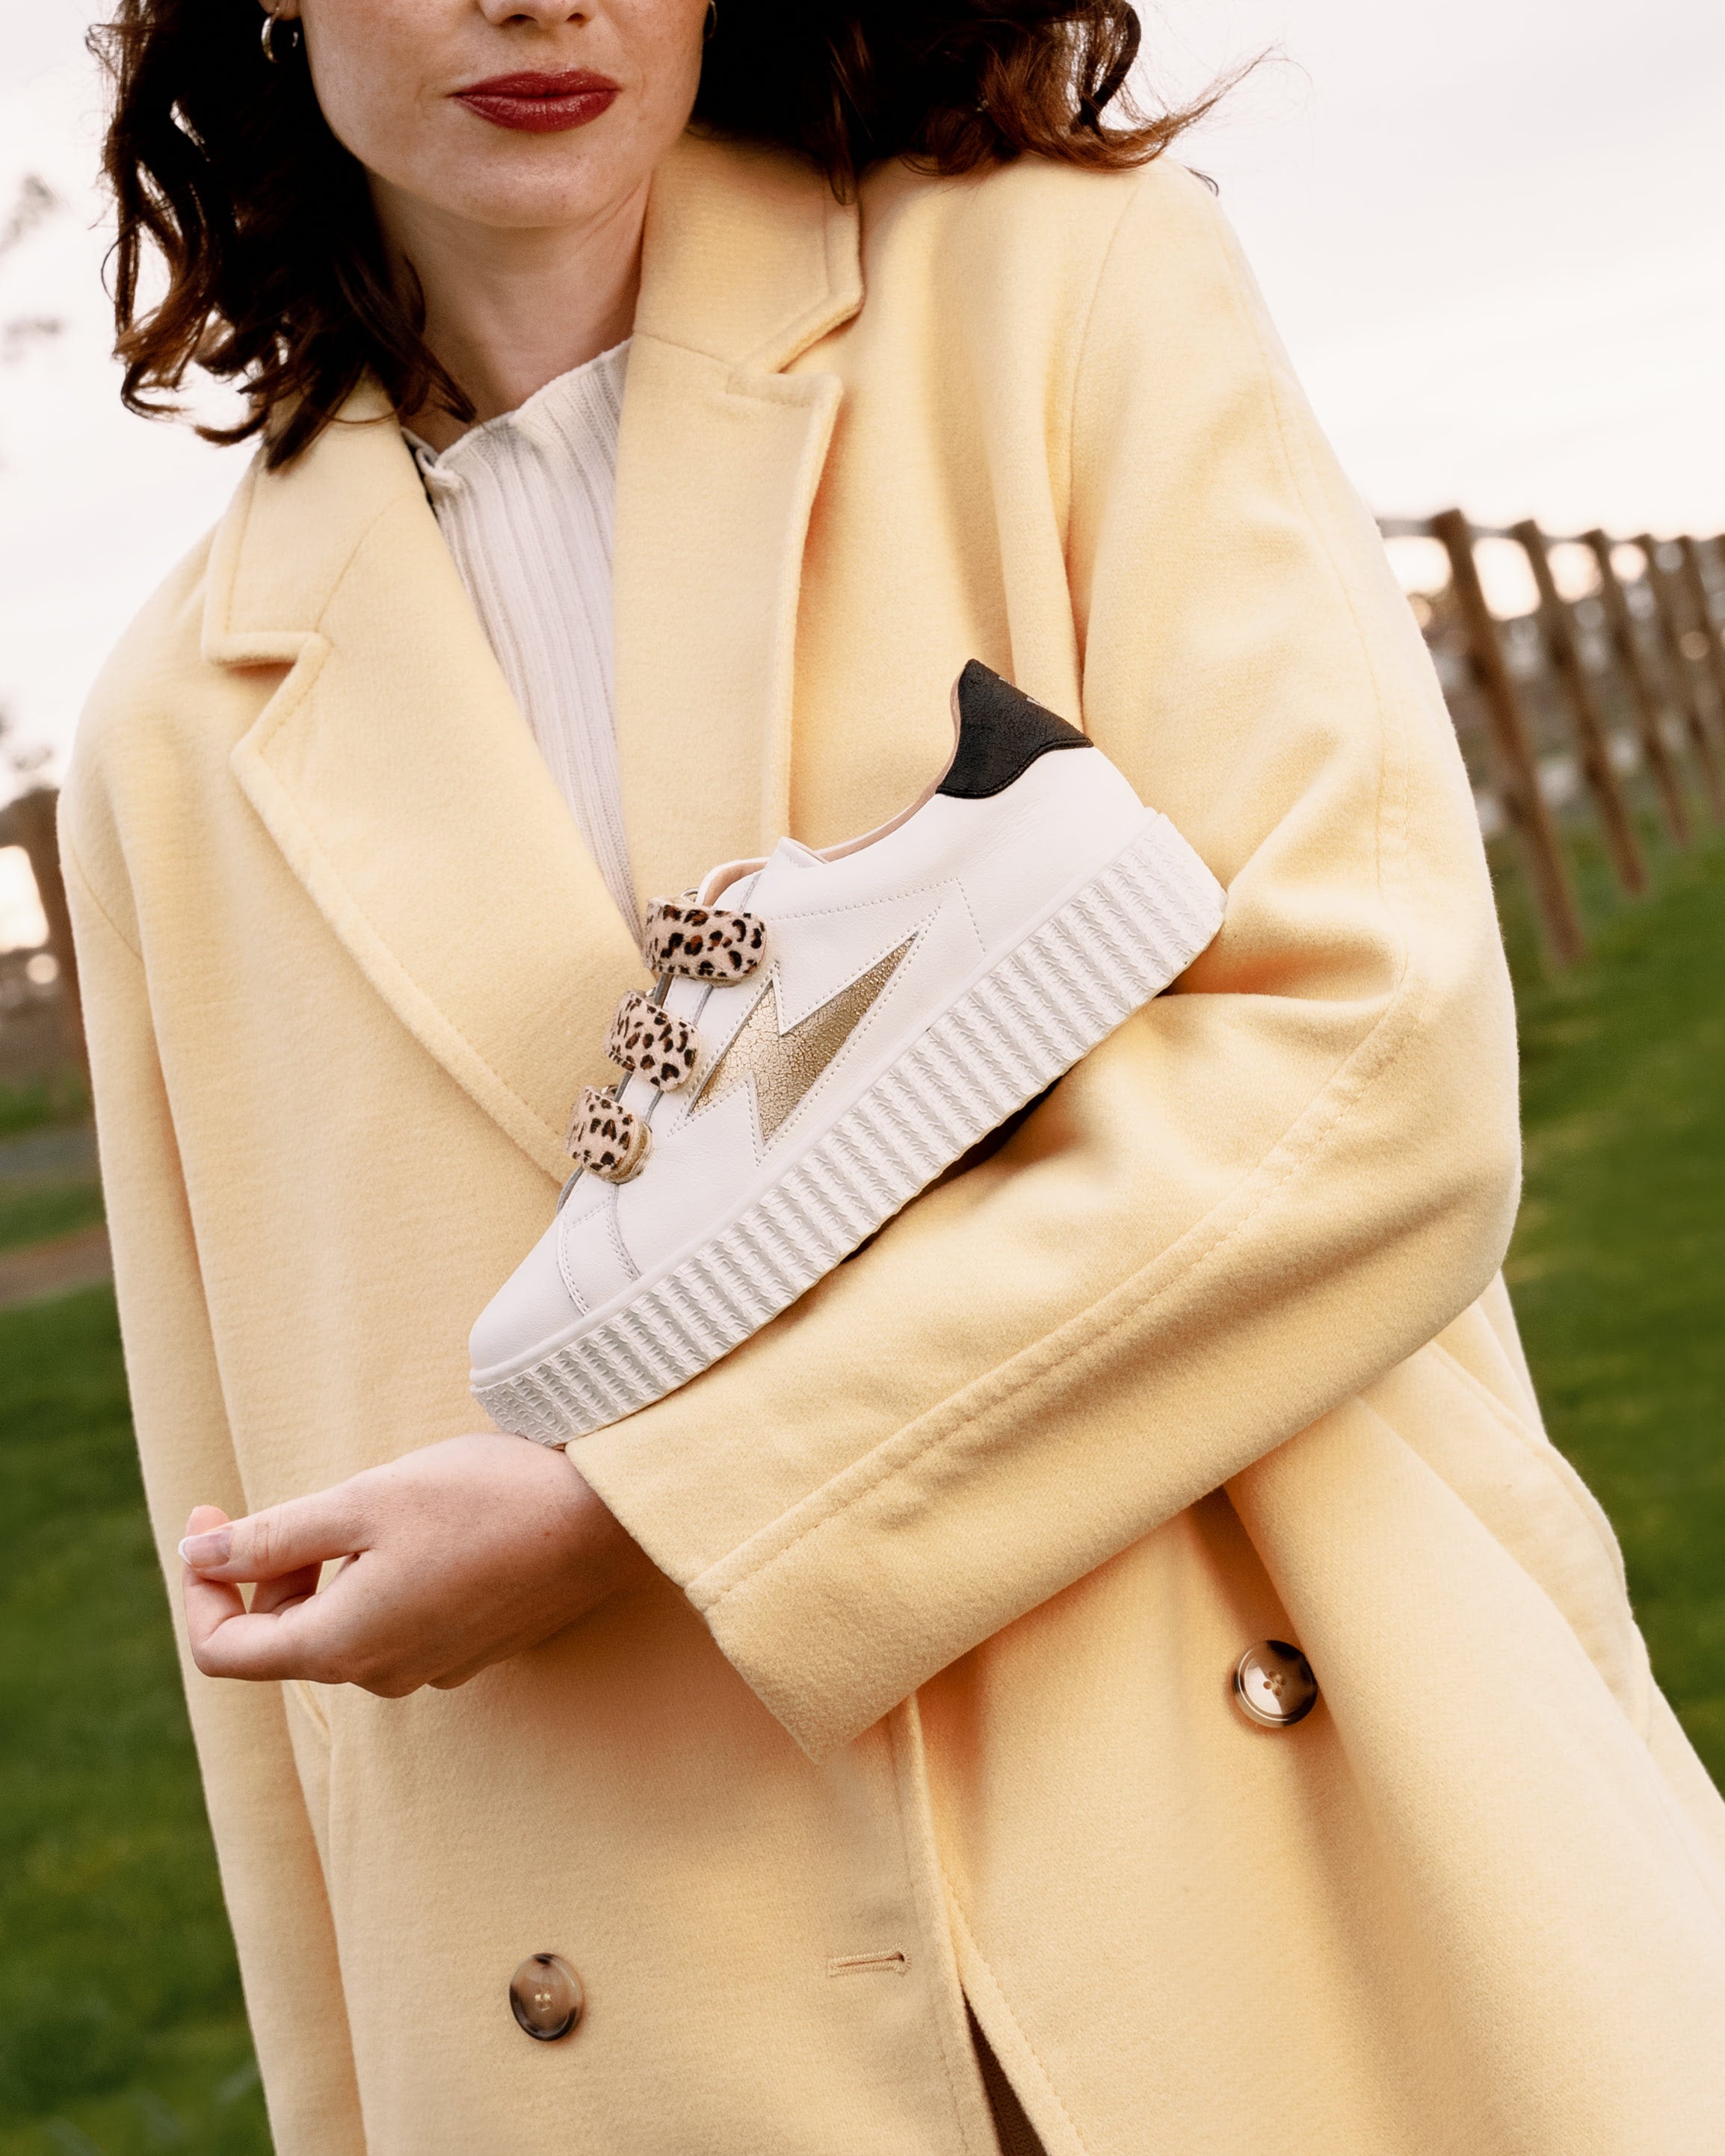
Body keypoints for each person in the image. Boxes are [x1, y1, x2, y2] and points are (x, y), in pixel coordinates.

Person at [64, 1, 1725, 2150]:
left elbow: (1370, 1068)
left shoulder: (1057, 291)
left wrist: (647, 1512)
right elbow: (269, 1615)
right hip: (642, 2013)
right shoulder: (169, 730)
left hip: (1294, 1875)